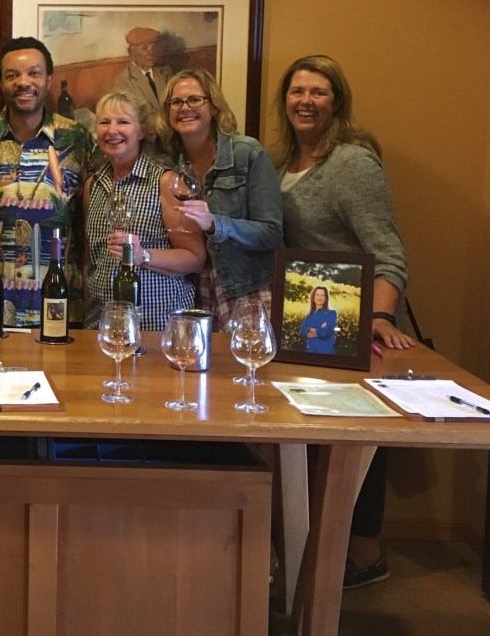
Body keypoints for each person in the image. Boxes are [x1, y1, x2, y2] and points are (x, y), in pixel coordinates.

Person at [274, 53, 414, 590]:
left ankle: (362, 555)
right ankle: (317, 555)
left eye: (318, 92)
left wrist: (379, 316)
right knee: (310, 436)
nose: (306, 101)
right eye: (297, 92)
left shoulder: (351, 161)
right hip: (305, 319)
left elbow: (388, 251)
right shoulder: (284, 161)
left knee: (353, 433)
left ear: (337, 102)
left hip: (350, 320)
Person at [0, 37, 92, 328]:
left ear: (49, 80)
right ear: (1, 82)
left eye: (34, 73)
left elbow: (91, 220)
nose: (23, 82)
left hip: (59, 302)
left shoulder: (76, 139)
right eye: (12, 75)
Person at [155, 68, 282, 320]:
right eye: (176, 102)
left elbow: (272, 233)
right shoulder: (170, 165)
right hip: (198, 291)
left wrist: (215, 224)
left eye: (194, 99)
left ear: (214, 107)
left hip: (249, 287)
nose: (184, 108)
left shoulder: (247, 153)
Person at [83, 91, 205, 331]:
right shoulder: (92, 186)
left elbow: (196, 258)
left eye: (123, 122)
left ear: (142, 130)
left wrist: (143, 255)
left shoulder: (166, 183)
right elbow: (91, 262)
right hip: (101, 327)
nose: (112, 131)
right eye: (104, 122)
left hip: (155, 328)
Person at [112, 26, 172, 118]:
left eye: (154, 47)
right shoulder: (123, 80)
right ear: (131, 52)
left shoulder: (166, 71)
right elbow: (131, 116)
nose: (152, 53)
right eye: (145, 48)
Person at [300, 285, 338, 354]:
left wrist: (308, 328)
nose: (319, 298)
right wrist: (318, 330)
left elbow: (323, 333)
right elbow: (302, 331)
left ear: (326, 298)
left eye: (322, 295)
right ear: (313, 297)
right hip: (309, 351)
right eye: (317, 295)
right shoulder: (309, 314)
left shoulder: (332, 313)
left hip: (325, 352)